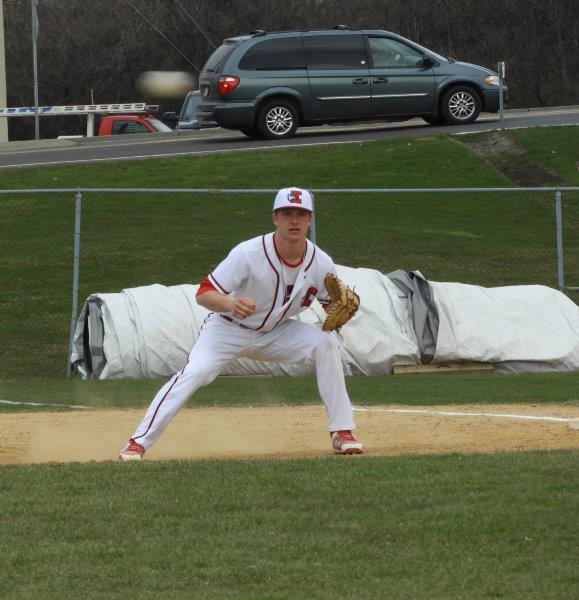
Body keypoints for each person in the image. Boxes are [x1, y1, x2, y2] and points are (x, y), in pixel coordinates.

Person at [119, 187, 363, 460]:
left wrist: (343, 312)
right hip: (227, 329)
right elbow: (204, 293)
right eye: (287, 213)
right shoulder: (248, 253)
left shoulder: (321, 262)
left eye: (301, 214)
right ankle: (137, 442)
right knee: (196, 372)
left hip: (277, 332)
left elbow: (332, 305)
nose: (294, 220)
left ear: (310, 220)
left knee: (326, 343)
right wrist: (230, 304)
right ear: (275, 218)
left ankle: (342, 432)